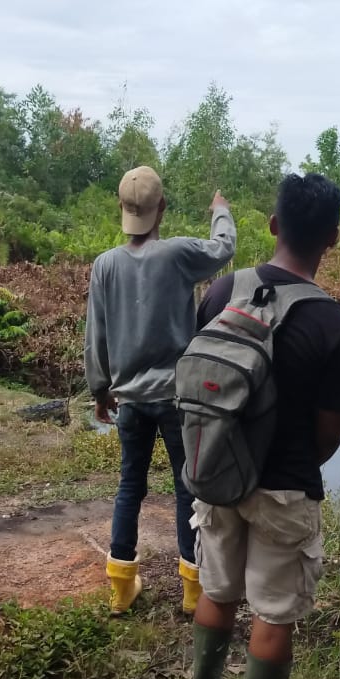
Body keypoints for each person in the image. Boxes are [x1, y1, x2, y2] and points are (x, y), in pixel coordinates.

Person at [184, 172, 340, 679]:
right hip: (285, 484)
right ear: (332, 238)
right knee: (273, 611)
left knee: (217, 589)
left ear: (273, 226)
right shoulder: (335, 324)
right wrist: (293, 464)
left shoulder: (222, 289)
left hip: (216, 470)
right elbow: (330, 429)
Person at [84, 166, 236, 615]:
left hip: (129, 400)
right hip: (175, 399)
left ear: (122, 209)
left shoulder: (105, 265)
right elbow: (224, 249)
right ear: (161, 208)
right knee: (186, 487)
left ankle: (121, 586)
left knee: (130, 485)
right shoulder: (178, 255)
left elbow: (98, 333)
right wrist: (220, 210)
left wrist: (100, 388)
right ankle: (193, 590)